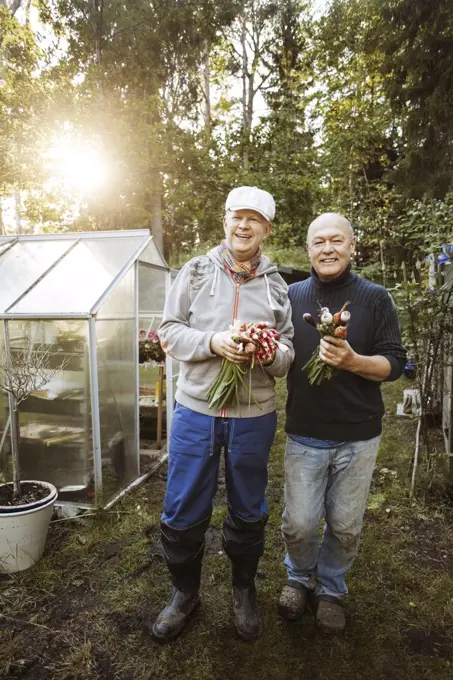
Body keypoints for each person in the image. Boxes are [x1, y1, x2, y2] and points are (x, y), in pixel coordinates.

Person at [153, 186, 294, 642]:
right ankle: (184, 594)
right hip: (196, 411)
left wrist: (268, 352)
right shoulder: (194, 272)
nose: (244, 226)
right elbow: (168, 333)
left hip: (254, 414)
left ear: (266, 229)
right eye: (238, 217)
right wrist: (213, 342)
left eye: (255, 219)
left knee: (249, 505)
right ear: (226, 221)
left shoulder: (276, 284)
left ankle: (243, 591)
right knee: (183, 504)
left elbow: (288, 351)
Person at [279, 212, 406, 634]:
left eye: (336, 241)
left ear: (352, 246)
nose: (327, 249)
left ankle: (330, 588)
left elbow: (394, 364)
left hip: (358, 434)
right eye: (319, 242)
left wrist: (353, 361)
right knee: (298, 524)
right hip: (305, 430)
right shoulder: (291, 295)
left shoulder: (375, 298)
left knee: (346, 524)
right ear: (308, 249)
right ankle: (299, 577)